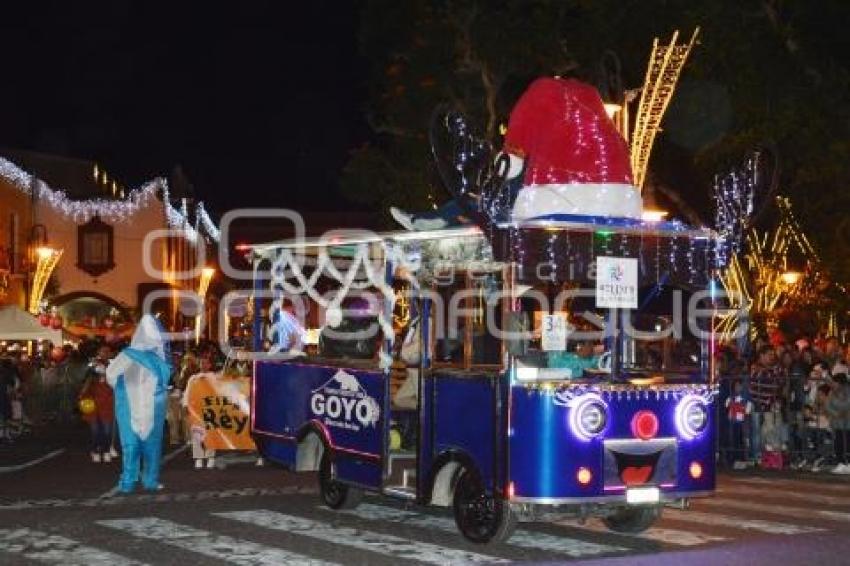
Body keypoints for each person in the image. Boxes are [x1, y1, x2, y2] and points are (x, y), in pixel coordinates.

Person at [106, 316, 172, 493]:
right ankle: (128, 480)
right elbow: (111, 374)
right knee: (131, 445)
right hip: (130, 404)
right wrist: (123, 387)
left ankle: (150, 479)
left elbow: (166, 379)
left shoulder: (158, 359)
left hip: (152, 407)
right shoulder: (128, 355)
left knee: (152, 445)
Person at [748, 345, 786, 464]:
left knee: (772, 429)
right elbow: (755, 382)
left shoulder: (776, 368)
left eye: (773, 355)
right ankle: (757, 456)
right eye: (769, 355)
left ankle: (771, 455)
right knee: (757, 431)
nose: (771, 357)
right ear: (761, 356)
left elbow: (780, 381)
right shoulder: (755, 368)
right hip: (757, 403)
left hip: (771, 404)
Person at [78, 365, 115, 463]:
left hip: (106, 411)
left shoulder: (111, 383)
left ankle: (106, 451)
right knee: (96, 432)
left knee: (107, 432)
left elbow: (115, 395)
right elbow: (83, 396)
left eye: (103, 373)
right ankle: (95, 451)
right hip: (93, 413)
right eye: (99, 373)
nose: (102, 375)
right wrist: (85, 400)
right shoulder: (90, 384)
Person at [826, 373, 850, 474]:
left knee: (848, 442)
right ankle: (841, 463)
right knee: (838, 443)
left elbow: (847, 403)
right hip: (837, 422)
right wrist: (836, 413)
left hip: (848, 421)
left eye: (835, 382)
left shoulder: (847, 391)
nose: (833, 384)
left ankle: (848, 463)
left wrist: (841, 409)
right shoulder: (832, 392)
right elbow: (827, 405)